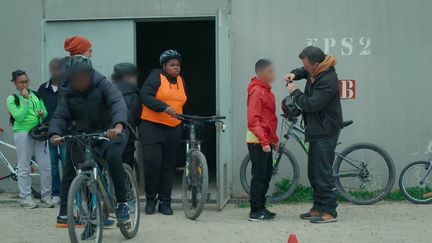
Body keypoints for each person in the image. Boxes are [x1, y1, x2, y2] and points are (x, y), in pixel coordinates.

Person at [48, 56, 131, 228]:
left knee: (114, 156)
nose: (77, 81)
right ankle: (92, 213)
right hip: (85, 134)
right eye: (73, 78)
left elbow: (117, 103)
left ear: (89, 73)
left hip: (110, 131)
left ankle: (122, 204)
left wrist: (118, 126)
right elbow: (61, 114)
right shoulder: (68, 92)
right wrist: (55, 133)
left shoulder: (104, 85)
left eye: (81, 77)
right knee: (83, 168)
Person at [285, 46, 343, 223]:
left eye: (307, 66)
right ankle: (318, 208)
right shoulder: (318, 69)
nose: (305, 69)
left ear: (316, 64)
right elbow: (304, 70)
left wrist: (295, 92)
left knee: (323, 173)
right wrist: (294, 74)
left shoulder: (328, 80)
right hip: (316, 128)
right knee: (314, 172)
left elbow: (311, 104)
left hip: (325, 130)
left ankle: (330, 211)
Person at [140, 50, 187, 215]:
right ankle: (151, 199)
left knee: (169, 166)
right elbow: (144, 96)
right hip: (152, 127)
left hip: (173, 128)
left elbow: (180, 102)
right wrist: (164, 107)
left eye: (178, 65)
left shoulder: (181, 80)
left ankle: (165, 201)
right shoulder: (156, 76)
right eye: (172, 65)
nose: (176, 68)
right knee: (153, 164)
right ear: (164, 66)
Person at [7, 70, 54, 209]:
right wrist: (25, 100)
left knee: (46, 166)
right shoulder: (12, 98)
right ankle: (25, 198)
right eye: (21, 82)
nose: (25, 84)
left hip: (38, 132)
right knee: (24, 166)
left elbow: (44, 112)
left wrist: (41, 113)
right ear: (15, 83)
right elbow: (19, 117)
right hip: (22, 133)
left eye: (26, 81)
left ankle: (46, 196)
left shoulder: (35, 94)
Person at [246, 59, 279, 222]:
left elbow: (270, 119)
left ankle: (261, 207)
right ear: (260, 73)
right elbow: (253, 119)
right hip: (257, 140)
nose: (273, 74)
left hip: (265, 140)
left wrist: (274, 139)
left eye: (273, 71)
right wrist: (264, 142)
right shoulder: (257, 91)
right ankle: (255, 211)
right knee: (259, 176)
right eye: (269, 71)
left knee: (266, 175)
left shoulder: (268, 92)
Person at [37, 58, 65, 205]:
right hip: (49, 132)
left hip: (65, 132)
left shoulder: (67, 87)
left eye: (57, 68)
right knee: (53, 165)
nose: (55, 71)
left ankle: (68, 193)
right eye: (52, 68)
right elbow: (37, 108)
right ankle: (55, 193)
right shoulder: (43, 88)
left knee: (67, 163)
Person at [111, 63, 141, 169]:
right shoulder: (133, 93)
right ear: (127, 77)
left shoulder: (108, 90)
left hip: (108, 134)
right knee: (126, 164)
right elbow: (137, 115)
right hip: (127, 134)